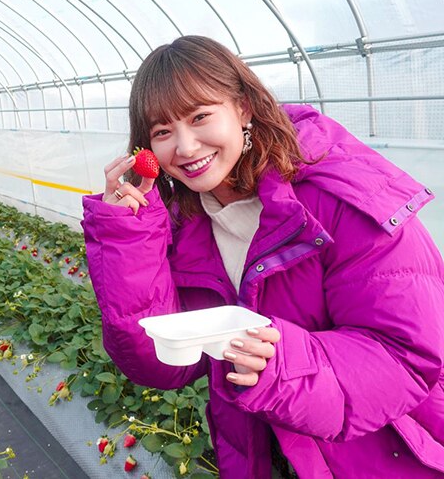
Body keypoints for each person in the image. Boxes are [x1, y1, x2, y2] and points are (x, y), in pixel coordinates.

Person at [82, 36, 444, 478]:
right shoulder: (184, 224)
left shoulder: (339, 197)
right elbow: (162, 366)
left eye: (200, 117)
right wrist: (127, 237)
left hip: (381, 451)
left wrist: (280, 364)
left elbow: (406, 355)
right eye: (162, 132)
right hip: (255, 454)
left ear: (243, 108)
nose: (186, 147)